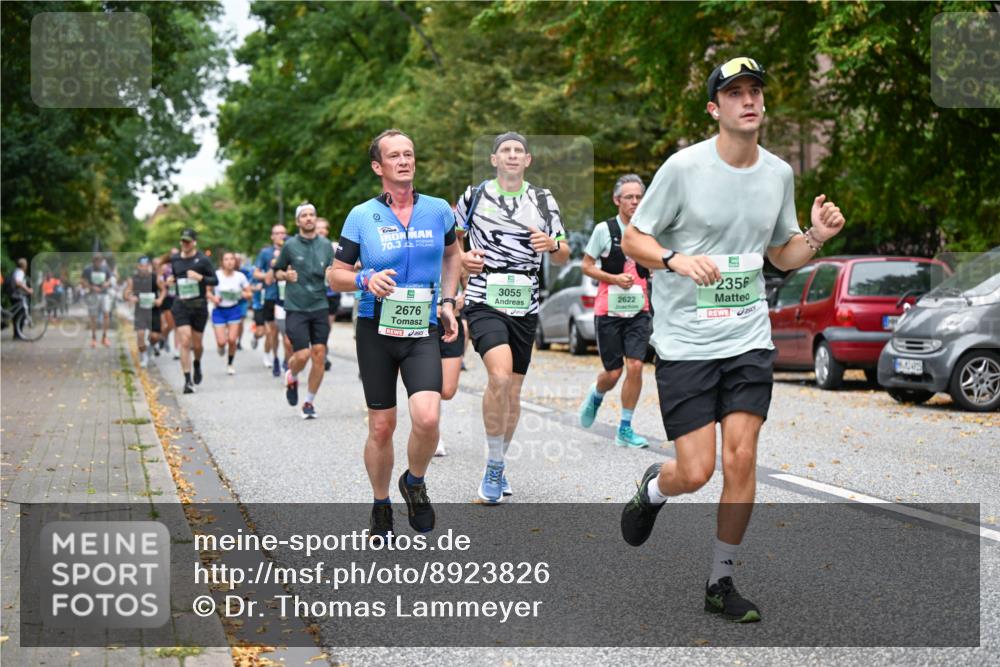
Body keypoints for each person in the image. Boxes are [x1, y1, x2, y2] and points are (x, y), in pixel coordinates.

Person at [618, 57, 846, 623]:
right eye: (735, 92)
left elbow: (779, 254)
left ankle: (720, 582)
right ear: (714, 108)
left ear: (763, 105)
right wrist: (674, 259)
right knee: (695, 472)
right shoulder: (683, 168)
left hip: (747, 337)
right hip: (687, 343)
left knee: (741, 459)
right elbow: (632, 239)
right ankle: (655, 488)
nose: (748, 100)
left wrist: (815, 237)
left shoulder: (778, 174)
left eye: (755, 92)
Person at [329, 129, 461, 541]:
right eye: (394, 156)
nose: (404, 161)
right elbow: (335, 275)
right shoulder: (361, 215)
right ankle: (381, 503)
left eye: (409, 154)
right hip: (375, 328)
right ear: (378, 167)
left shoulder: (439, 210)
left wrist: (448, 301)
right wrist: (365, 278)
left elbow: (453, 254)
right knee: (382, 426)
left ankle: (415, 482)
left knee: (427, 416)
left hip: (422, 325)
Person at [456, 131, 570, 503]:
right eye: (504, 150)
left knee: (514, 391)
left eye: (518, 150)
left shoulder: (542, 199)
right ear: (494, 159)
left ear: (527, 160)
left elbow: (563, 254)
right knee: (500, 377)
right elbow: (453, 244)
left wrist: (552, 245)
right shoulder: (473, 196)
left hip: (525, 302)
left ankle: (499, 461)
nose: (511, 155)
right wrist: (463, 260)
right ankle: (492, 466)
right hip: (484, 298)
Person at [578, 174, 653, 448]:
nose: (634, 202)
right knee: (613, 373)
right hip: (608, 311)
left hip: (639, 310)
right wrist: (613, 279)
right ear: (617, 200)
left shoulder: (649, 230)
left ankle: (625, 427)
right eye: (629, 197)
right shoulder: (605, 230)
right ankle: (596, 395)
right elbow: (586, 266)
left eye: (638, 197)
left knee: (634, 366)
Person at [274, 203, 335, 418]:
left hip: (319, 305)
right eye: (304, 216)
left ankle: (308, 402)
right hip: (296, 306)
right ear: (298, 221)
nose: (309, 218)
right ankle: (292, 374)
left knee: (319, 355)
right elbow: (277, 271)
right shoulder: (290, 246)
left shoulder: (326, 245)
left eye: (312, 215)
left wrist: (332, 275)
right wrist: (284, 276)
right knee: (302, 355)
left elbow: (332, 271)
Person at [167, 229, 218, 394]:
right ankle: (187, 381)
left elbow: (215, 280)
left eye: (188, 241)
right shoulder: (175, 259)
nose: (185, 244)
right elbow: (176, 276)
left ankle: (197, 363)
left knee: (197, 345)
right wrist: (171, 280)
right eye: (183, 241)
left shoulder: (203, 260)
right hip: (180, 304)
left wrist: (201, 278)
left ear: (194, 242)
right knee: (185, 340)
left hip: (199, 306)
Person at [210, 251, 252, 375]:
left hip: (234, 309)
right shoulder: (216, 275)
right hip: (219, 310)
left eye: (231, 259)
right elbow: (207, 291)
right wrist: (213, 299)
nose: (229, 262)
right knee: (222, 342)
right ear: (222, 262)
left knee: (233, 340)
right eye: (226, 259)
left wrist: (241, 294)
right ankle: (221, 346)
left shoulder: (240, 276)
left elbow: (249, 294)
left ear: (235, 261)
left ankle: (230, 363)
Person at [254, 225, 287, 376]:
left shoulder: (292, 249)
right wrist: (271, 271)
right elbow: (256, 274)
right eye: (277, 233)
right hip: (271, 297)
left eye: (283, 233)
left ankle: (287, 360)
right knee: (272, 331)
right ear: (272, 236)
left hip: (289, 296)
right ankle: (275, 358)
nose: (280, 236)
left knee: (287, 333)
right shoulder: (265, 253)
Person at [124, 257, 165, 368]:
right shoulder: (133, 279)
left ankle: (151, 348)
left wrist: (160, 299)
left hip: (153, 310)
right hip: (140, 311)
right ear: (138, 267)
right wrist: (130, 297)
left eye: (146, 266)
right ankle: (144, 356)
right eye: (142, 266)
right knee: (140, 335)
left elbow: (163, 290)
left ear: (149, 266)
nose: (144, 268)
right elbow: (126, 293)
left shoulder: (155, 278)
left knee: (155, 336)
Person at [316, 217, 339, 372]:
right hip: (317, 294)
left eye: (324, 228)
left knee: (327, 327)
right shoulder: (309, 247)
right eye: (318, 228)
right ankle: (321, 353)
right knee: (320, 326)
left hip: (332, 293)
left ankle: (322, 348)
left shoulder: (335, 246)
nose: (321, 231)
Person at [81, 254, 113, 347]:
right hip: (92, 295)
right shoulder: (88, 269)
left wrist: (106, 284)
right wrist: (91, 287)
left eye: (100, 261)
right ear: (93, 261)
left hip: (104, 294)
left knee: (106, 314)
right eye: (96, 261)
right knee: (93, 317)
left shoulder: (105, 268)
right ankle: (94, 338)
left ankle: (104, 337)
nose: (98, 263)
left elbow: (110, 279)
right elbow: (83, 281)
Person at [157, 256, 177, 358]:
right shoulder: (164, 267)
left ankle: (177, 350)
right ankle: (162, 337)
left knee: (177, 325)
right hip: (167, 299)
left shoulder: (180, 265)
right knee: (170, 325)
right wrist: (166, 284)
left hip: (178, 298)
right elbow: (159, 282)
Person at [10, 258, 33, 340]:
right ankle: (18, 334)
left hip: (14, 295)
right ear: (24, 265)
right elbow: (18, 282)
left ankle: (17, 334)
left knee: (17, 315)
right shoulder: (20, 272)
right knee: (21, 314)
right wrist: (28, 290)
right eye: (26, 264)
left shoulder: (16, 271)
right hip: (17, 295)